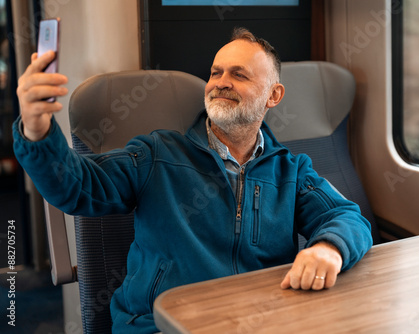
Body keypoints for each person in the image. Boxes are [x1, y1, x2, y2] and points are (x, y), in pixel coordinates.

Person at [14, 28, 373, 333]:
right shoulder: (157, 154)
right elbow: (77, 187)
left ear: (273, 96)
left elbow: (346, 217)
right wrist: (36, 129)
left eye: (239, 75)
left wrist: (329, 248)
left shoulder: (291, 171)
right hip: (160, 323)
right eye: (216, 73)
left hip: (259, 321)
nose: (220, 83)